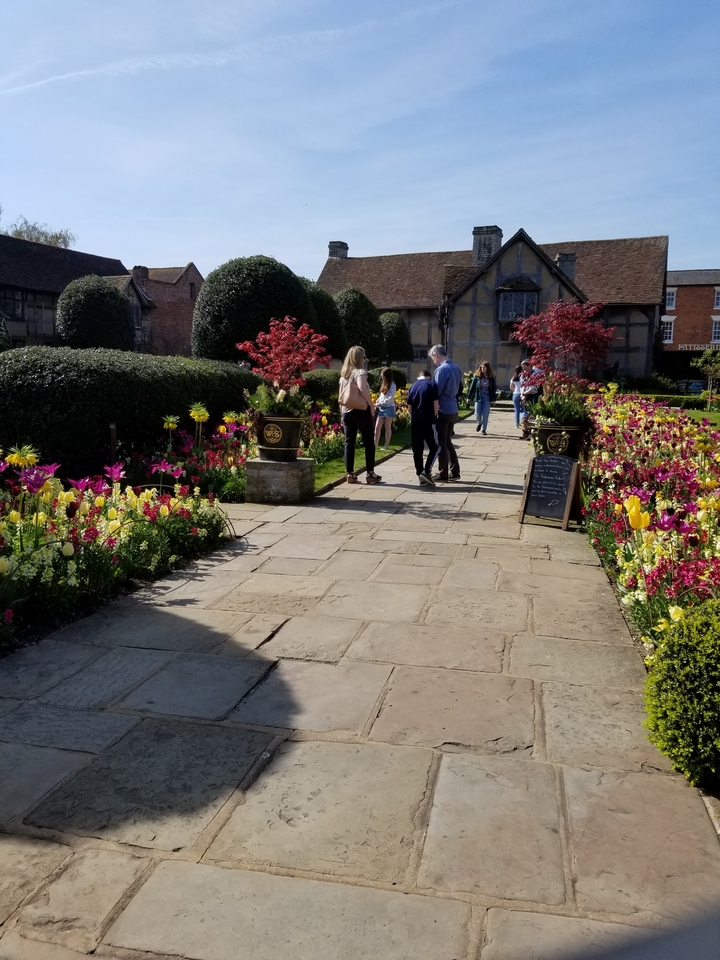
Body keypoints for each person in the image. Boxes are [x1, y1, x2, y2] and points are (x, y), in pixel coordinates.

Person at [338, 346, 382, 484]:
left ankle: (350, 473)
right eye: (363, 357)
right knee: (369, 441)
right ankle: (370, 473)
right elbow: (362, 388)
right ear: (358, 358)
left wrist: (341, 414)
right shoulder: (360, 372)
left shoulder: (343, 376)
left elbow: (341, 396)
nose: (365, 359)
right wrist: (371, 404)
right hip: (361, 411)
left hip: (347, 412)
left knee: (349, 442)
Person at [429, 344, 463, 482]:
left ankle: (443, 473)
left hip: (442, 409)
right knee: (447, 441)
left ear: (436, 354)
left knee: (441, 442)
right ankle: (455, 471)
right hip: (453, 408)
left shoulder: (441, 370)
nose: (433, 361)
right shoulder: (455, 367)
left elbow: (436, 392)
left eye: (432, 358)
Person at [407, 370, 439, 486]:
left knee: (417, 450)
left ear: (418, 377)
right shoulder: (432, 385)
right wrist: (435, 417)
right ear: (429, 377)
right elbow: (436, 405)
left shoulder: (413, 387)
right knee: (435, 447)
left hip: (415, 421)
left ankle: (420, 474)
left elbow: (409, 409)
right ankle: (426, 471)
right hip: (428, 421)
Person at [466, 361, 497, 435]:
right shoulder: (477, 377)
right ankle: (479, 423)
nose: (483, 369)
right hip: (478, 396)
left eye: (484, 367)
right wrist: (468, 397)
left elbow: (493, 389)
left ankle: (484, 429)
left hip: (487, 397)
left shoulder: (491, 378)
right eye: (481, 367)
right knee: (477, 414)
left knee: (485, 414)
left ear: (487, 368)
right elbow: (472, 388)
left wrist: (493, 400)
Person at [374, 367, 397, 450]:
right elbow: (382, 395)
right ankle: (375, 444)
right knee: (377, 427)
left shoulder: (393, 385)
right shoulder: (384, 384)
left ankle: (386, 445)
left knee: (387, 426)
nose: (382, 378)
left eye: (383, 377)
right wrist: (377, 400)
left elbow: (390, 397)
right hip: (381, 408)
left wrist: (381, 403)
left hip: (389, 407)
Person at [509, 364, 524, 430]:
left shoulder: (513, 377)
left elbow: (511, 387)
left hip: (515, 394)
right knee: (523, 410)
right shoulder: (523, 377)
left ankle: (517, 424)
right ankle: (524, 423)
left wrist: (514, 390)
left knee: (517, 410)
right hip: (522, 394)